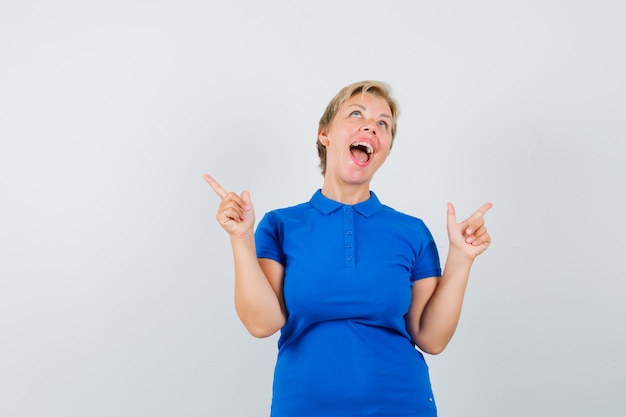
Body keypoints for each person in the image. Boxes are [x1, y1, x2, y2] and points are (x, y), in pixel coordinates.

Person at [204, 80, 491, 417]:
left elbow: (431, 339)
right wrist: (240, 238)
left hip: (402, 405)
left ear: (384, 149)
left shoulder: (411, 232)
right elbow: (262, 323)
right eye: (356, 114)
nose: (371, 125)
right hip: (304, 407)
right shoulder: (281, 225)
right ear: (324, 134)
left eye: (383, 123)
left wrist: (460, 258)